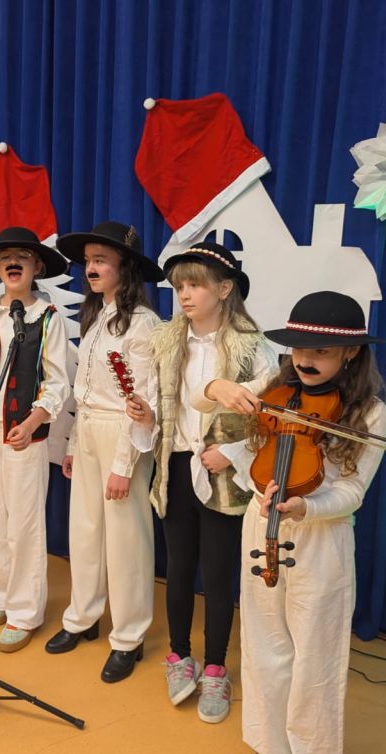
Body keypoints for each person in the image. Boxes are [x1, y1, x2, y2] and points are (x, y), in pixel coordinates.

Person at [203, 290, 386, 754]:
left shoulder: (370, 412)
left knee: (315, 659)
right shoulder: (275, 389)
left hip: (321, 537)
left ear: (351, 352)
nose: (304, 360)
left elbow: (353, 491)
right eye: (299, 348)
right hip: (261, 523)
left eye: (320, 351)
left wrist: (307, 506)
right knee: (265, 646)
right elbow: (232, 424)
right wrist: (217, 388)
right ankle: (270, 749)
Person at [126, 242, 277, 721]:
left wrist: (230, 452)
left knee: (217, 574)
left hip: (225, 475)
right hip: (176, 467)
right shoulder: (167, 342)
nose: (185, 295)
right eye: (179, 287)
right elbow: (162, 407)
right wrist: (146, 416)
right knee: (178, 568)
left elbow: (270, 418)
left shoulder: (253, 346)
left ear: (225, 289)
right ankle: (179, 656)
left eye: (195, 285)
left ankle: (215, 667)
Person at [43, 222, 162, 683]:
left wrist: (123, 465)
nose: (91, 269)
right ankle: (83, 615)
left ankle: (129, 636)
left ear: (124, 268)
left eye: (101, 261)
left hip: (123, 434)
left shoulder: (143, 324)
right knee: (85, 531)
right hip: (91, 431)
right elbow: (85, 392)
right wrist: (74, 443)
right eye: (89, 261)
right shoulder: (96, 319)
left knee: (126, 539)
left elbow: (143, 400)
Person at [0, 227, 70, 653]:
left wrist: (35, 418)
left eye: (23, 256)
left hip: (25, 436)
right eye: (6, 257)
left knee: (24, 524)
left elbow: (58, 382)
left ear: (36, 266)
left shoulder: (47, 317)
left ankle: (24, 611)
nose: (14, 262)